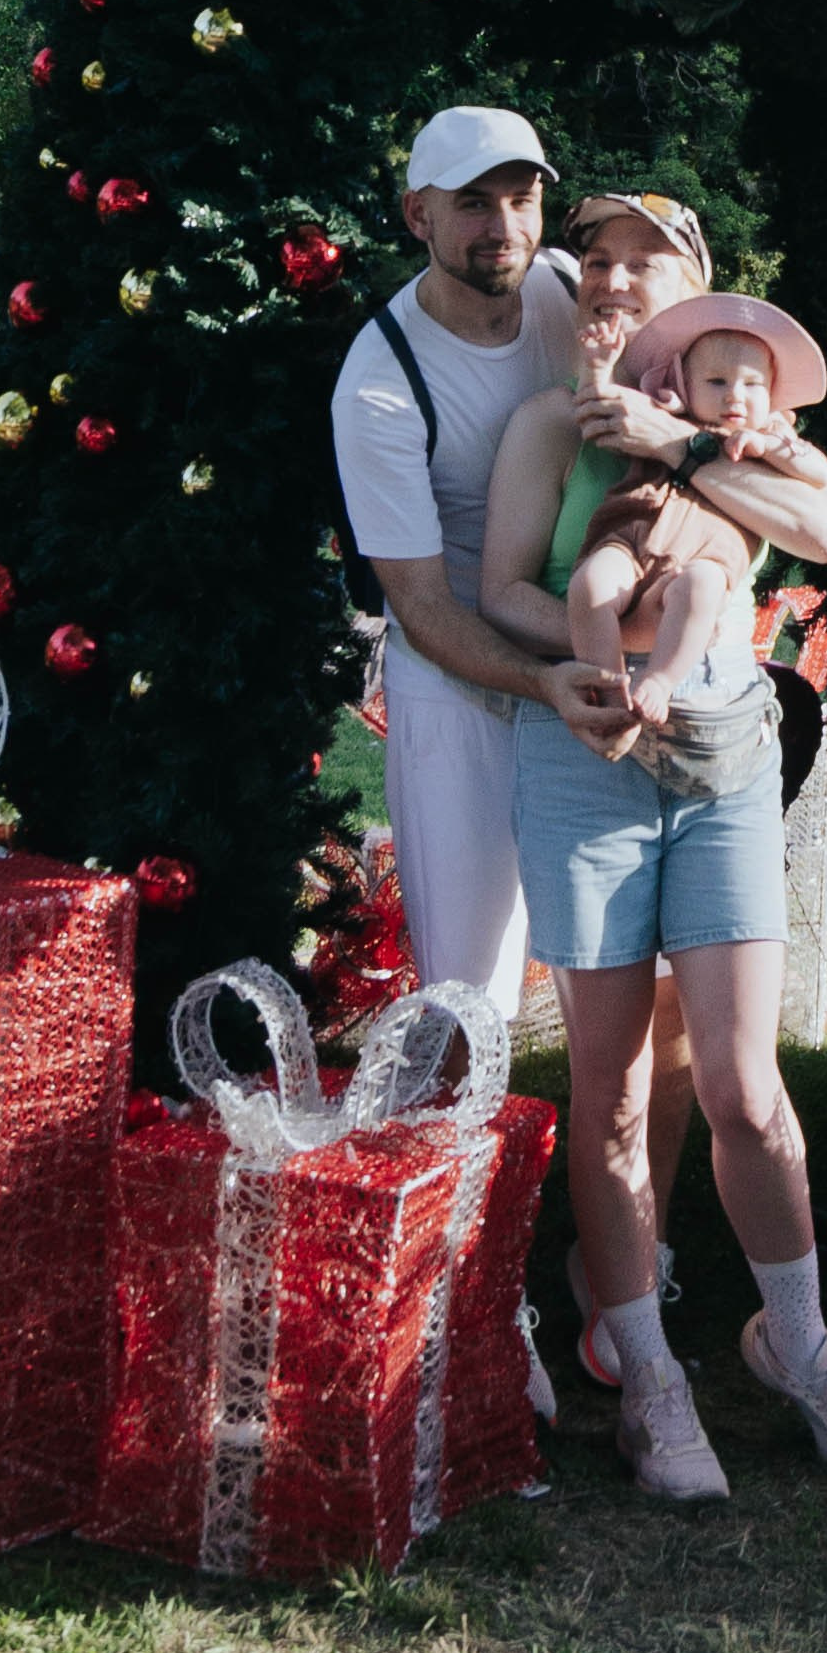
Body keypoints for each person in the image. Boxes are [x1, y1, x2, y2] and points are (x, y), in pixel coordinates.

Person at [482, 283, 827, 1505]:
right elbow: (506, 581)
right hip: (588, 756)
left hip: (721, 757)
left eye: (651, 260)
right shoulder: (562, 425)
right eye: (604, 261)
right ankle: (651, 1377)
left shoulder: (740, 431)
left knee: (740, 1081)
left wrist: (690, 443)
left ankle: (801, 1343)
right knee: (609, 1082)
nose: (624, 283)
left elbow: (820, 535)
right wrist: (586, 662)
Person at [329, 105, 629, 1018]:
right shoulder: (381, 383)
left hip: (587, 643)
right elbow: (417, 604)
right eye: (473, 204)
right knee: (467, 989)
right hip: (459, 681)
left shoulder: (571, 288)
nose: (504, 227)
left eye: (521, 197)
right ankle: (456, 1150)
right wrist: (547, 684)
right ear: (417, 214)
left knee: (625, 962)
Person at [567, 309, 827, 734]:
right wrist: (597, 366)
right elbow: (598, 411)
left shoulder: (771, 438)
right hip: (631, 534)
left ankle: (660, 678)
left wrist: (771, 447)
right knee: (590, 584)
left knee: (702, 590)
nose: (734, 397)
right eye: (716, 382)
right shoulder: (664, 417)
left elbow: (820, 472)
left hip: (704, 557)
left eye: (752, 384)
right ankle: (609, 687)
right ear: (685, 385)